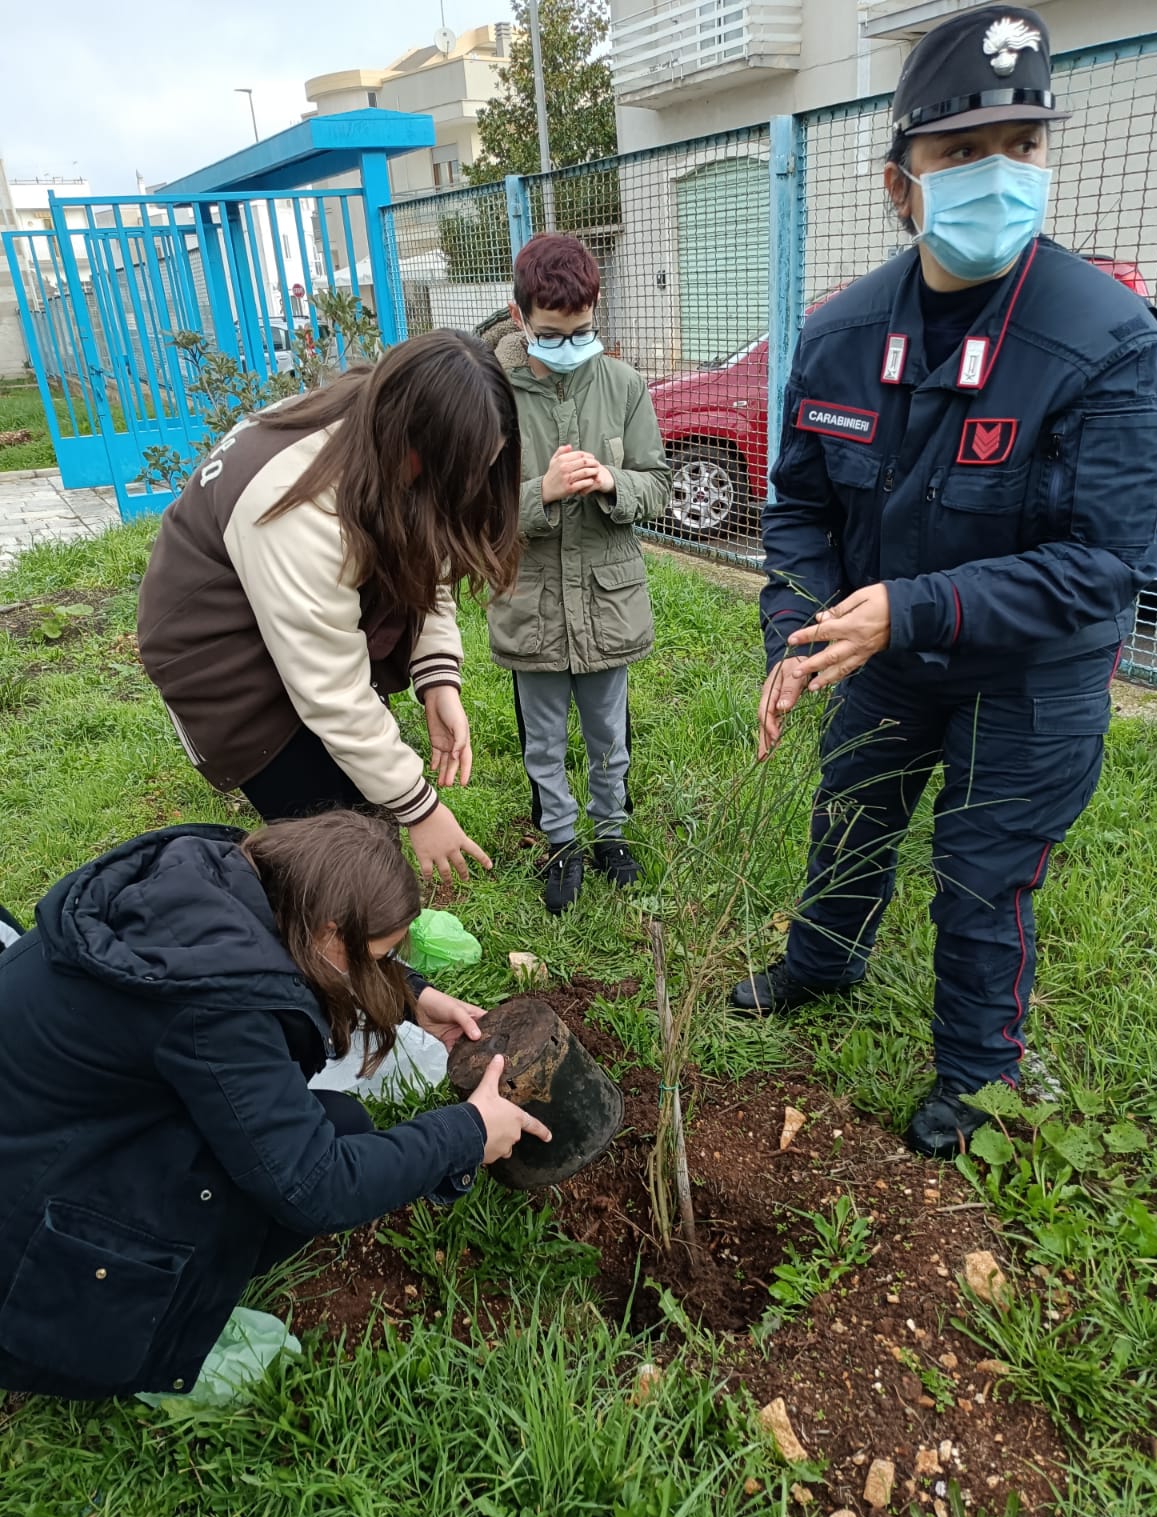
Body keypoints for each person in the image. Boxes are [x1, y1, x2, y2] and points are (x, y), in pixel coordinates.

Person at [732, 5, 1157, 1157]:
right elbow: (800, 511)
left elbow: (1104, 565)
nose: (1000, 175)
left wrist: (912, 607)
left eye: (1023, 148)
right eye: (963, 154)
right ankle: (819, 965)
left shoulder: (1111, 340)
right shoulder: (837, 337)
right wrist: (801, 629)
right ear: (900, 183)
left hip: (1029, 670)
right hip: (884, 652)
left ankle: (976, 1079)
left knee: (982, 874)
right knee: (851, 814)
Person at [0, 809, 550, 1400]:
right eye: (381, 954)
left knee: (338, 1123)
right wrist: (467, 1132)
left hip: (58, 1138)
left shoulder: (226, 882)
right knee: (306, 1163)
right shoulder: (216, 1010)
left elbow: (299, 972)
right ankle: (147, 1337)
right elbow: (314, 1186)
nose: (386, 966)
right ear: (330, 932)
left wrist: (410, 994)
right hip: (26, 1244)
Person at [137, 330, 522, 885]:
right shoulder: (294, 502)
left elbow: (430, 544)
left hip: (288, 606)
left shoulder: (390, 416)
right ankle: (314, 944)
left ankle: (363, 935)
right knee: (328, 836)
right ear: (414, 447)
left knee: (363, 814)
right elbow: (332, 693)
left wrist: (437, 677)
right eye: (461, 472)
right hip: (216, 644)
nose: (476, 484)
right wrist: (421, 810)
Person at [485, 234, 671, 914]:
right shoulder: (491, 394)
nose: (569, 345)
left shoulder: (623, 386)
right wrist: (543, 492)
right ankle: (560, 842)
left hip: (607, 600)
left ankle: (611, 834)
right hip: (531, 600)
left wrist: (614, 481)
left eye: (583, 331)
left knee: (607, 731)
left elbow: (659, 486)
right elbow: (475, 509)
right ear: (517, 316)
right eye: (552, 334)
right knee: (542, 738)